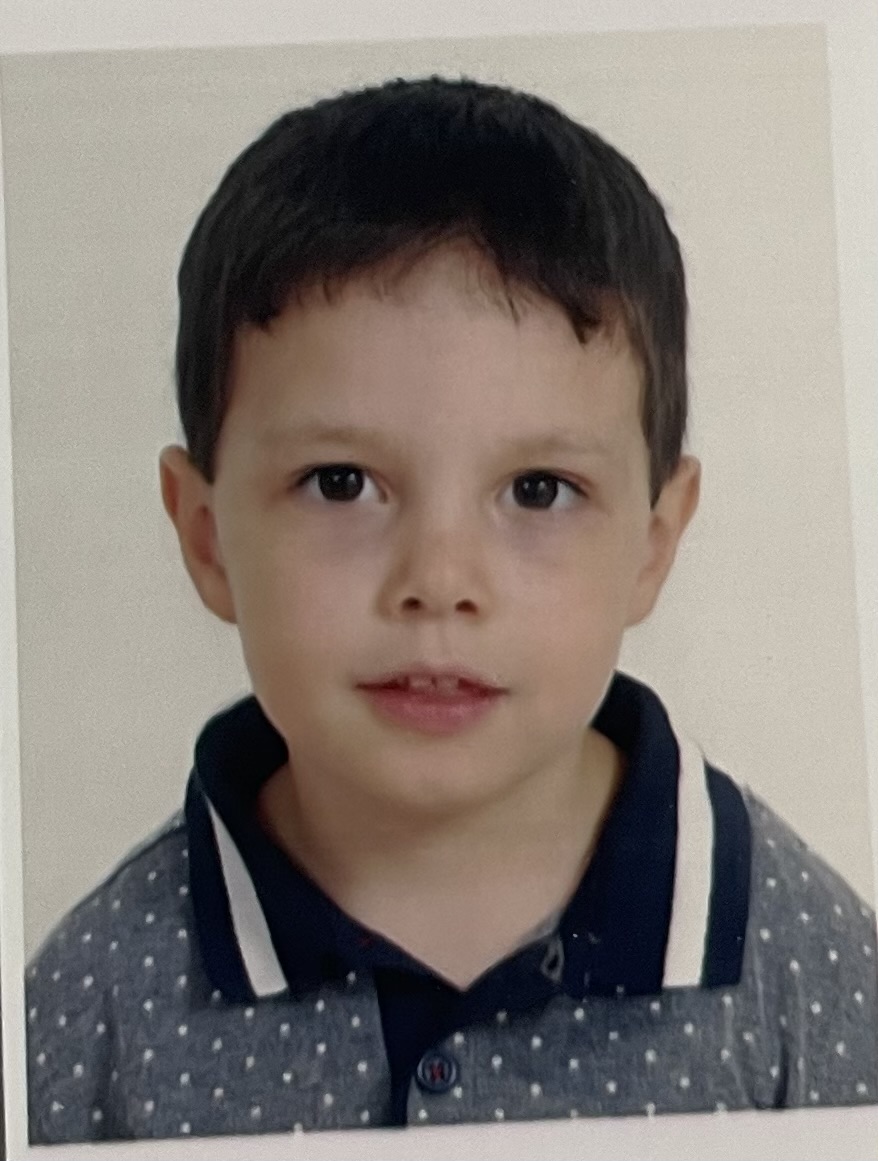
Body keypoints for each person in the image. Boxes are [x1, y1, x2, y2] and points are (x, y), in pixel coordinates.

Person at [24, 76, 877, 1143]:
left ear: (653, 543)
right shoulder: (84, 1015)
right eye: (342, 483)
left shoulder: (811, 979)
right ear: (205, 537)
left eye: (538, 490)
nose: (438, 577)